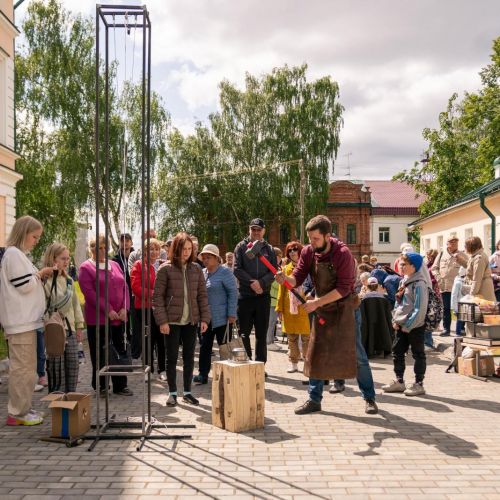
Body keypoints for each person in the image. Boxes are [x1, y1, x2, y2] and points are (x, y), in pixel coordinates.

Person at [275, 215, 376, 415]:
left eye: (316, 239)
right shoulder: (308, 252)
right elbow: (297, 277)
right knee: (316, 353)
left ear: (328, 236)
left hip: (345, 308)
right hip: (321, 308)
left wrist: (316, 303)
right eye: (310, 239)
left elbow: (343, 289)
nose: (311, 243)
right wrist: (285, 278)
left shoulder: (343, 254)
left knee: (356, 355)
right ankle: (314, 400)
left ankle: (369, 398)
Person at [0, 216, 54, 425]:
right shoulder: (14, 254)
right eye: (34, 236)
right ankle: (17, 413)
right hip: (20, 322)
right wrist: (40, 274)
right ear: (23, 233)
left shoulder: (18, 255)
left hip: (26, 322)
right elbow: (23, 285)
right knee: (22, 370)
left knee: (27, 369)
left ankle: (23, 409)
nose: (36, 241)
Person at [153, 232, 210, 407]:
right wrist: (162, 321)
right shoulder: (165, 269)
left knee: (189, 357)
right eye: (183, 249)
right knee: (171, 359)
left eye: (189, 249)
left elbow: (202, 296)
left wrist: (204, 319)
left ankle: (187, 392)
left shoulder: (196, 269)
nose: (186, 252)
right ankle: (172, 393)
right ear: (176, 249)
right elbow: (157, 298)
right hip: (171, 322)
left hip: (191, 322)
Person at [79, 235, 133, 397]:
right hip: (99, 319)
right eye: (98, 248)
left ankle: (120, 385)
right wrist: (108, 309)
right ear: (91, 249)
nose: (102, 251)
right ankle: (101, 385)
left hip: (119, 318)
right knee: (101, 352)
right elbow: (90, 294)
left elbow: (125, 288)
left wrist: (125, 308)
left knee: (119, 350)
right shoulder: (85, 268)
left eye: (104, 247)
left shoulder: (115, 264)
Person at [382, 252, 430, 397]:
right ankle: (399, 381)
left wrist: (408, 325)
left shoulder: (420, 284)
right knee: (397, 352)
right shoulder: (404, 281)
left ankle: (419, 383)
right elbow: (399, 303)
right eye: (401, 264)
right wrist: (395, 320)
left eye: (404, 264)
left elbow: (420, 309)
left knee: (418, 354)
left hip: (414, 326)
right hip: (401, 325)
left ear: (413, 266)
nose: (401, 267)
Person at [233, 218, 277, 363]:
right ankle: (246, 362)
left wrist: (261, 283)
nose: (256, 232)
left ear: (264, 231)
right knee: (243, 333)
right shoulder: (241, 247)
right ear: (249, 230)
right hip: (245, 296)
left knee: (261, 335)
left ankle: (259, 366)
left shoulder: (269, 249)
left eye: (259, 229)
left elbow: (274, 271)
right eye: (253, 229)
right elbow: (237, 269)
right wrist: (252, 283)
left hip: (263, 297)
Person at [42, 243, 84, 393]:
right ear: (53, 259)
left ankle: (70, 398)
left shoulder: (69, 281)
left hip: (70, 329)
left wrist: (79, 326)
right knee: (56, 368)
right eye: (63, 258)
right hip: (54, 329)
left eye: (68, 258)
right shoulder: (45, 280)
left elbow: (75, 305)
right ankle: (57, 401)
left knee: (73, 365)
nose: (66, 262)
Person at [193, 244, 237, 384]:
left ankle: (228, 375)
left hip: (224, 318)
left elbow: (233, 293)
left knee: (224, 347)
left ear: (217, 258)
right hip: (206, 318)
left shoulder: (225, 272)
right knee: (205, 346)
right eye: (204, 257)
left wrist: (232, 314)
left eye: (209, 257)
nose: (205, 260)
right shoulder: (203, 272)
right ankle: (203, 374)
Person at [130, 238, 165, 380]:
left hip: (160, 308)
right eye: (151, 249)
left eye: (157, 249)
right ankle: (147, 369)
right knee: (147, 339)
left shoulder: (161, 265)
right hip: (144, 308)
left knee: (161, 339)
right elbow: (136, 287)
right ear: (144, 251)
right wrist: (154, 294)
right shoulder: (138, 265)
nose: (154, 252)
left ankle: (162, 370)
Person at [275, 242, 310, 373]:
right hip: (289, 307)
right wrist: (279, 308)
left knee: (306, 337)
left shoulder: (307, 267)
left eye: (295, 249)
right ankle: (294, 363)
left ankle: (307, 362)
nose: (292, 252)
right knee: (292, 337)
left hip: (305, 305)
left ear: (300, 251)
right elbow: (281, 290)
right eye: (289, 250)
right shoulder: (285, 269)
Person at [431, 236, 468, 336]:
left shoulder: (462, 254)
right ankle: (446, 329)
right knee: (446, 308)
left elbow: (469, 268)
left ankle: (461, 328)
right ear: (447, 244)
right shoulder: (442, 254)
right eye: (451, 243)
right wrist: (439, 278)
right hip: (445, 286)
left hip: (459, 287)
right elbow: (434, 268)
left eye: (456, 243)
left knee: (461, 308)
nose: (454, 245)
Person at [359, 277, 394, 358]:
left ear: (367, 286)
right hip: (382, 322)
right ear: (377, 286)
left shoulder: (364, 299)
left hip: (368, 322)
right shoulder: (384, 298)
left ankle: (369, 351)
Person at [463, 236, 496, 301]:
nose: (465, 248)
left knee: (485, 309)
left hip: (483, 288)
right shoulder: (475, 256)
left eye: (466, 246)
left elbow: (477, 278)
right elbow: (470, 268)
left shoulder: (479, 258)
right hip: (480, 286)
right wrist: (460, 260)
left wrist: (471, 294)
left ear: (471, 246)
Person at [267, 247, 283, 351]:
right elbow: (273, 283)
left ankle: (271, 340)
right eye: (279, 256)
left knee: (273, 321)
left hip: (275, 299)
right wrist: (282, 283)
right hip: (272, 299)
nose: (280, 258)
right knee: (271, 321)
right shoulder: (272, 268)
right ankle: (268, 342)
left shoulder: (278, 267)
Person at [451, 266, 467, 336]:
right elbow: (454, 296)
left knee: (465, 319)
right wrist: (454, 308)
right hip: (459, 305)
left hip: (466, 304)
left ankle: (463, 331)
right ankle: (458, 333)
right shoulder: (458, 283)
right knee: (460, 320)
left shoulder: (467, 281)